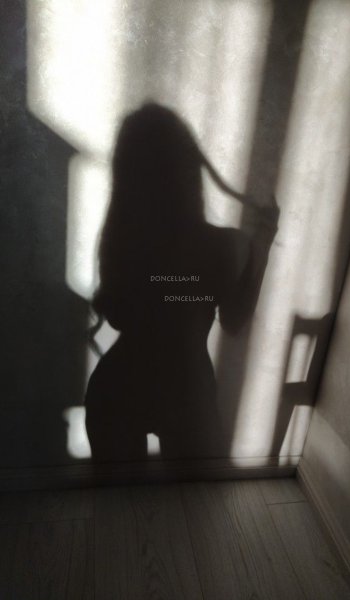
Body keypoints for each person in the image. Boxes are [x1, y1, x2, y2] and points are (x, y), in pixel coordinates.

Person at [85, 103, 278, 461]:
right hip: (186, 391)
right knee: (198, 492)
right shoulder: (223, 245)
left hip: (118, 390)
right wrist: (260, 249)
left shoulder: (122, 242)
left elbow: (119, 316)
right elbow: (234, 321)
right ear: (189, 170)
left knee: (123, 495)